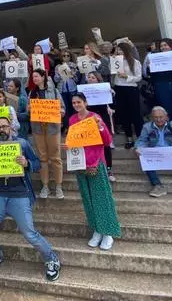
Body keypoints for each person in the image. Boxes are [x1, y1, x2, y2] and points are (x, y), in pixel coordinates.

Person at [0, 116, 61, 281]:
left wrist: (27, 163)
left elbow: (38, 163)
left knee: (29, 233)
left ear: (11, 128)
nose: (2, 129)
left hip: (19, 195)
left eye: (4, 126)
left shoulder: (22, 144)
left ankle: (52, 259)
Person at [63, 94, 121, 250]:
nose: (76, 105)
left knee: (101, 199)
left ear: (85, 103)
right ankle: (97, 229)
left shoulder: (95, 117)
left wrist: (100, 125)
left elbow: (107, 140)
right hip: (80, 163)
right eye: (74, 102)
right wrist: (67, 146)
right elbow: (72, 140)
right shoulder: (72, 119)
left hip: (96, 162)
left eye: (79, 102)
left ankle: (107, 232)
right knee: (88, 200)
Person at [29, 69, 65, 199]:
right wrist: (30, 109)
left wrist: (59, 111)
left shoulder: (54, 92)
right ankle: (45, 186)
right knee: (42, 157)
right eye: (33, 77)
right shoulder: (32, 93)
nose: (34, 78)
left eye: (37, 76)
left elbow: (63, 109)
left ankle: (58, 186)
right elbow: (29, 110)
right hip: (38, 128)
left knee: (55, 157)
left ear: (44, 77)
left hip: (52, 128)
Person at [113, 42, 144, 149]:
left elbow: (139, 77)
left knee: (135, 114)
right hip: (119, 88)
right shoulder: (116, 61)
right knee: (123, 114)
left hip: (131, 88)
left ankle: (140, 138)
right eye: (117, 50)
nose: (118, 52)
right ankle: (129, 138)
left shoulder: (135, 62)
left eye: (120, 50)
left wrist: (127, 76)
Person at [54, 50, 80, 127]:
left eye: (67, 55)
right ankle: (66, 126)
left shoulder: (74, 65)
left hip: (72, 89)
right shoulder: (58, 67)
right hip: (62, 89)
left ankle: (75, 125)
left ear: (70, 56)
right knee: (65, 109)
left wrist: (73, 75)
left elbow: (77, 80)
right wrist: (59, 74)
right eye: (64, 56)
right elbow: (55, 80)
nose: (66, 57)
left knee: (74, 108)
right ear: (61, 57)